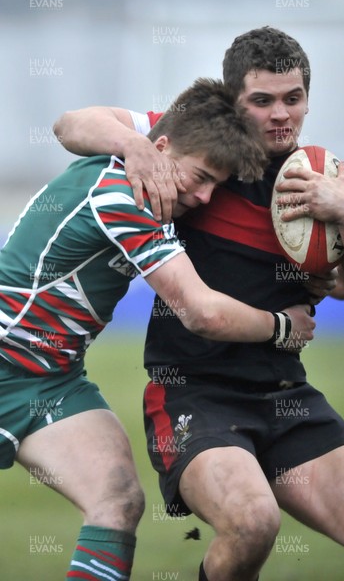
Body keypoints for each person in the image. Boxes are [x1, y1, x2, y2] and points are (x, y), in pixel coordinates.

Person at [53, 28, 344, 581]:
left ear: (307, 101)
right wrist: (135, 149)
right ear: (233, 100)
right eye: (262, 100)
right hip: (193, 394)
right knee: (251, 523)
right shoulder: (200, 158)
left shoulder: (336, 181)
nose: (280, 115)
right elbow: (69, 124)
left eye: (292, 99)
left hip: (285, 395)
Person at [0, 77, 318, 581]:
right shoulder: (126, 192)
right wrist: (282, 327)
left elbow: (79, 124)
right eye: (201, 177)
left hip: (50, 378)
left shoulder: (165, 143)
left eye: (218, 182)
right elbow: (200, 312)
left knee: (118, 501)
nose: (206, 195)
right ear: (161, 149)